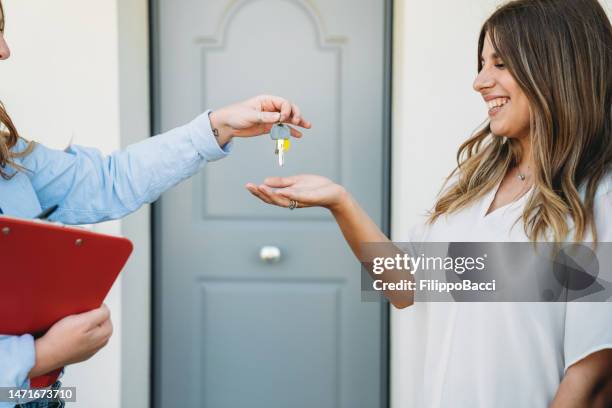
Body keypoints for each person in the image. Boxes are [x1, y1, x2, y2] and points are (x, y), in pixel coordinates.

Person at [247, 0, 612, 406]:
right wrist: (340, 202)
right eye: (482, 63)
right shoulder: (476, 185)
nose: (479, 81)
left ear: (558, 68)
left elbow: (590, 382)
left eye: (501, 63)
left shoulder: (599, 201)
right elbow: (409, 287)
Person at [0, 2, 311, 407]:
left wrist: (218, 125)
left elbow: (109, 180)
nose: (5, 50)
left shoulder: (9, 155)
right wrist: (40, 356)